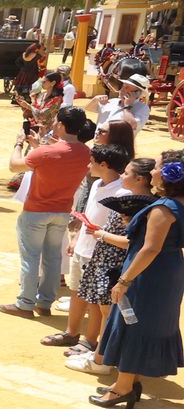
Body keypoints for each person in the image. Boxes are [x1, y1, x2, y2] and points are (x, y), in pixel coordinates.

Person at [85, 155, 184, 409]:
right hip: (167, 271)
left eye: (159, 166)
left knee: (133, 324)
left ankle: (122, 388)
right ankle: (130, 382)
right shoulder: (178, 204)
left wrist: (124, 281)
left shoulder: (165, 208)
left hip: (148, 275)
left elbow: (149, 250)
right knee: (144, 324)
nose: (154, 170)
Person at [0, 106, 95, 318]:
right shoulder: (86, 153)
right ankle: (44, 303)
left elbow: (14, 166)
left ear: (61, 125)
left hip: (36, 210)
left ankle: (25, 302)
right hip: (61, 211)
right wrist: (39, 146)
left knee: (30, 257)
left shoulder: (45, 152)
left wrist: (18, 144)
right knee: (52, 258)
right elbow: (65, 152)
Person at [48, 145, 136, 352]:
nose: (89, 165)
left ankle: (89, 341)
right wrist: (76, 239)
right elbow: (88, 215)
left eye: (92, 161)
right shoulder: (96, 184)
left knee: (96, 301)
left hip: (101, 254)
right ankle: (71, 333)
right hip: (83, 249)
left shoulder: (122, 192)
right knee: (77, 291)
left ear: (103, 165)